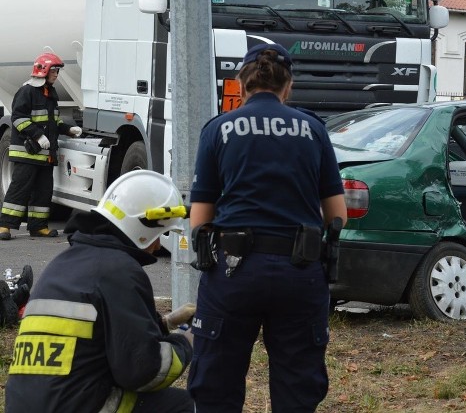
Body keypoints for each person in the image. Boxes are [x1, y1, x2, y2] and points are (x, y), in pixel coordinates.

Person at [188, 42, 347, 413]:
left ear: (241, 86)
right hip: (300, 272)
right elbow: (338, 214)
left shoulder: (219, 129)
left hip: (233, 272)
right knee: (297, 389)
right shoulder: (314, 130)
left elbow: (200, 218)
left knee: (216, 386)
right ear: (287, 87)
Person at [4, 170, 195, 413]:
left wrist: (164, 323)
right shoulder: (120, 270)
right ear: (142, 227)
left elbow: (95, 341)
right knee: (189, 406)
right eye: (160, 234)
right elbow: (144, 372)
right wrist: (187, 342)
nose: (157, 246)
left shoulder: (62, 264)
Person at [0, 53, 82, 240]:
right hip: (27, 153)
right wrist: (38, 136)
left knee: (44, 192)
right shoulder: (27, 91)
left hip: (45, 155)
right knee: (19, 189)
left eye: (57, 71)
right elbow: (18, 118)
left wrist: (69, 129)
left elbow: (53, 121)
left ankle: (38, 227)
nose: (56, 75)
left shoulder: (50, 92)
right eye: (54, 71)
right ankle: (5, 226)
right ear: (43, 70)